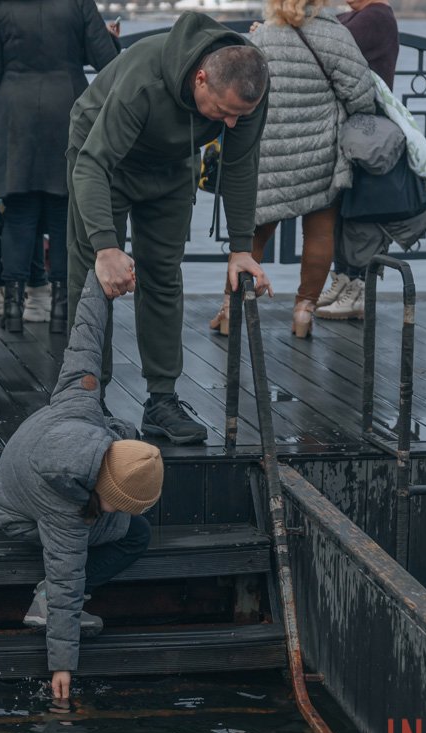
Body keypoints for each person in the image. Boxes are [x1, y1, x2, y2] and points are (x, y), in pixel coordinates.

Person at [67, 11, 272, 445]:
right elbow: (92, 163)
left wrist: (241, 249)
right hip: (103, 158)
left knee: (162, 273)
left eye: (239, 115)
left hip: (171, 166)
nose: (231, 124)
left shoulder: (247, 88)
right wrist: (106, 247)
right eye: (224, 113)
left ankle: (161, 400)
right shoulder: (144, 79)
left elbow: (239, 166)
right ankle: (86, 398)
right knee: (92, 278)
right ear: (200, 79)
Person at [0, 273, 163, 705]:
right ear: (102, 487)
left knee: (128, 526)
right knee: (133, 535)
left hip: (37, 460)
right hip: (18, 512)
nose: (116, 509)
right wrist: (62, 665)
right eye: (117, 502)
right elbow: (66, 576)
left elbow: (86, 335)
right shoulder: (65, 508)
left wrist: (99, 283)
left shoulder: (82, 399)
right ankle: (39, 597)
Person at [209, 0, 374, 339]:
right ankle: (303, 312)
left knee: (253, 234)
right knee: (319, 233)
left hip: (268, 154)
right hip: (319, 153)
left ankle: (230, 310)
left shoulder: (263, 38)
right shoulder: (336, 36)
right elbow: (362, 97)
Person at [0, 0, 120, 333]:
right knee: (63, 214)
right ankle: (60, 311)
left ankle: (11, 310)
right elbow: (108, 63)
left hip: (13, 115)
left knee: (19, 215)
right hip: (67, 110)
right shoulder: (78, 3)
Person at [315, 0, 399, 319]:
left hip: (366, 130)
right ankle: (344, 279)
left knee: (362, 209)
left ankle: (360, 289)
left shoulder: (377, 15)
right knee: (345, 205)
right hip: (354, 127)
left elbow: (332, 48)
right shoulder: (357, 15)